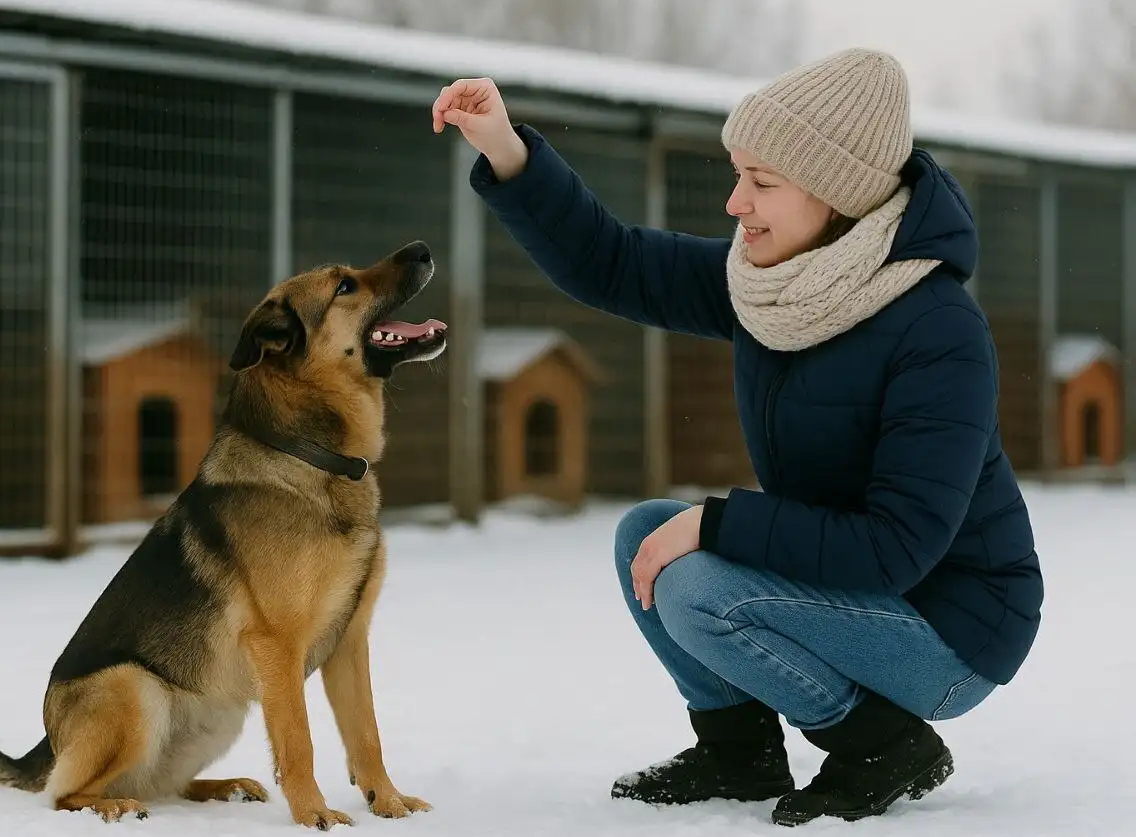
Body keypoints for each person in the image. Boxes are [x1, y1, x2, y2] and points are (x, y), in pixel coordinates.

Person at [431, 47, 1043, 827]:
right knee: (646, 534)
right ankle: (737, 750)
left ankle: (883, 743)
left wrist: (719, 523)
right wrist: (506, 149)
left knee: (696, 582)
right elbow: (611, 262)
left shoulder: (938, 330)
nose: (733, 203)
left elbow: (899, 545)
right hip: (858, 591)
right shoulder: (772, 286)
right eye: (737, 174)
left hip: (951, 631)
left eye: (762, 182)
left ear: (836, 193)